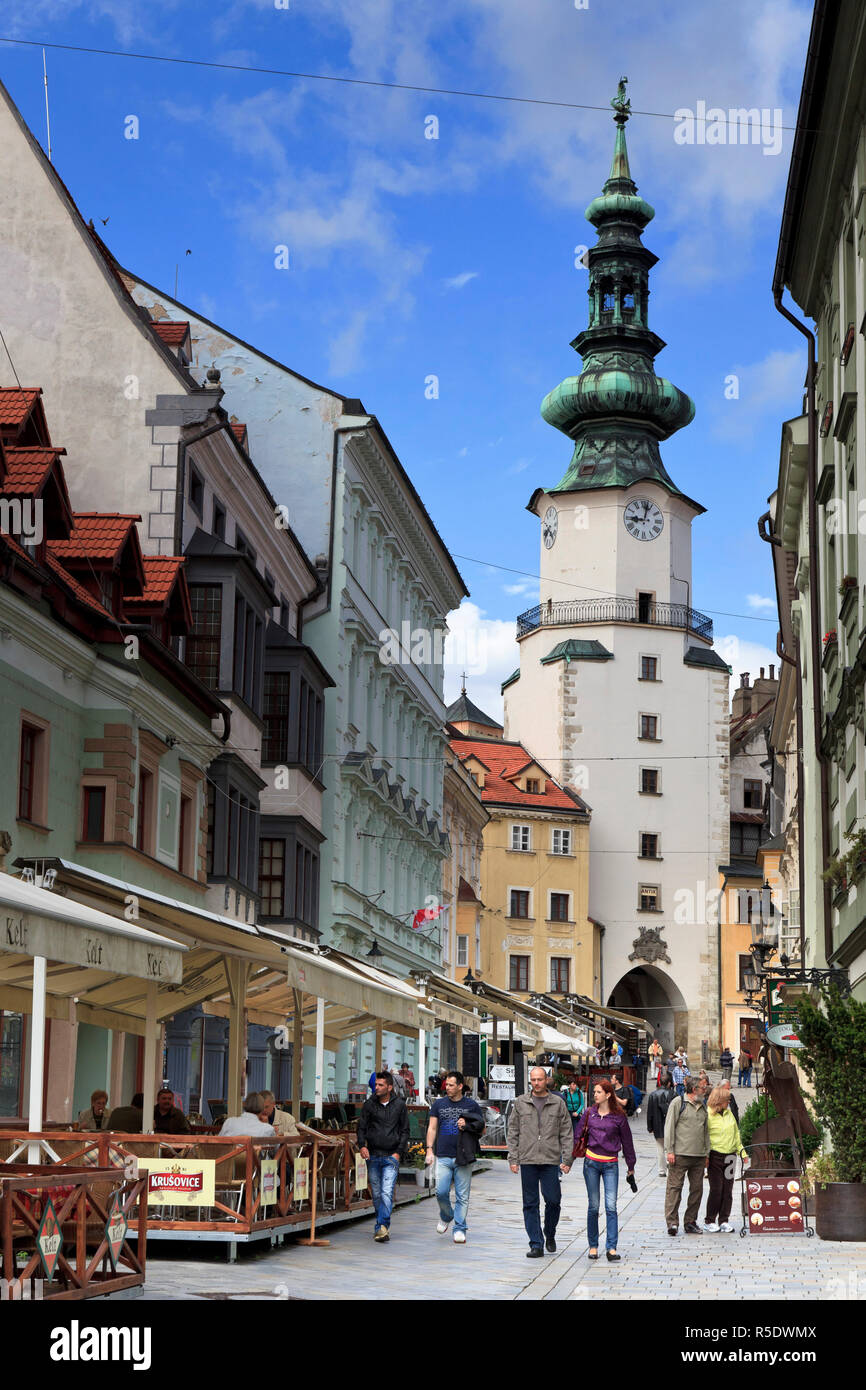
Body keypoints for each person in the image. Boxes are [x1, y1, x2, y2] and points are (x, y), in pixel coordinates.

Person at [507, 1065, 574, 1258]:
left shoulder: (557, 1103)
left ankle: (549, 1232)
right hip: (527, 1159)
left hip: (550, 1159)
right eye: (533, 1080)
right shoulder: (521, 1102)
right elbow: (513, 1132)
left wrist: (567, 1158)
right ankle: (536, 1243)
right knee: (530, 1203)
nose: (536, 1083)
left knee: (553, 1200)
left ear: (546, 1080)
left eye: (540, 1079)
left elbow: (567, 1133)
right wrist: (513, 1157)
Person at [573, 1080, 636, 1261]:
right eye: (594, 1092)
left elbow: (627, 1142)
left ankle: (611, 1248)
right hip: (591, 1163)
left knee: (611, 1206)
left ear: (608, 1094)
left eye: (599, 1092)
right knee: (593, 1206)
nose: (595, 1094)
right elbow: (578, 1136)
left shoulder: (618, 1116)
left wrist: (631, 1166)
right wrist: (569, 1160)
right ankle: (593, 1246)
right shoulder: (589, 1113)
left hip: (610, 1164)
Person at [425, 1070, 485, 1244]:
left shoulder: (472, 1105)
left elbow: (482, 1129)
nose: (447, 1088)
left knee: (462, 1195)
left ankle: (459, 1228)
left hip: (464, 1155)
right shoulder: (439, 1104)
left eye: (451, 1085)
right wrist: (429, 1149)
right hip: (442, 1154)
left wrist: (467, 1125)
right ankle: (446, 1215)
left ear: (460, 1086)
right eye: (446, 1085)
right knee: (440, 1191)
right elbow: (432, 1128)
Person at [357, 1070, 409, 1242]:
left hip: (391, 1156)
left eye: (380, 1085)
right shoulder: (369, 1104)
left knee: (387, 1192)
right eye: (375, 1085)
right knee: (377, 1194)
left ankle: (382, 1227)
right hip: (372, 1155)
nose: (376, 1088)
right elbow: (361, 1127)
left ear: (389, 1087)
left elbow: (404, 1130)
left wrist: (398, 1153)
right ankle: (381, 1226)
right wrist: (362, 1145)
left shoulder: (400, 1105)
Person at [664, 1077, 710, 1236]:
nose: (705, 1090)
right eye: (703, 1087)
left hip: (698, 1156)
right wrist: (669, 1150)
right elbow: (669, 1126)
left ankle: (690, 1221)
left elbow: (705, 1131)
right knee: (674, 1189)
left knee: (697, 1190)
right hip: (680, 1155)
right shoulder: (678, 1103)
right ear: (694, 1089)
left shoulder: (702, 1106)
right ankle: (672, 1223)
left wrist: (707, 1153)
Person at [704, 1085, 749, 1233]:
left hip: (730, 1157)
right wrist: (705, 1156)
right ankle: (709, 1220)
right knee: (716, 1189)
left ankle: (724, 1220)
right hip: (715, 1156)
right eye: (727, 1100)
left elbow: (736, 1134)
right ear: (719, 1100)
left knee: (727, 1190)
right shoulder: (708, 1115)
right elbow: (703, 1137)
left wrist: (743, 1153)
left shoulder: (729, 1114)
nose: (729, 1102)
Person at [646, 1070, 675, 1176]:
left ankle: (661, 1170)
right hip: (670, 1125)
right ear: (669, 1083)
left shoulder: (653, 1095)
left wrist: (650, 1127)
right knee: (670, 1147)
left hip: (657, 1125)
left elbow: (650, 1113)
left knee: (660, 1148)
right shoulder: (674, 1094)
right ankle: (670, 1166)